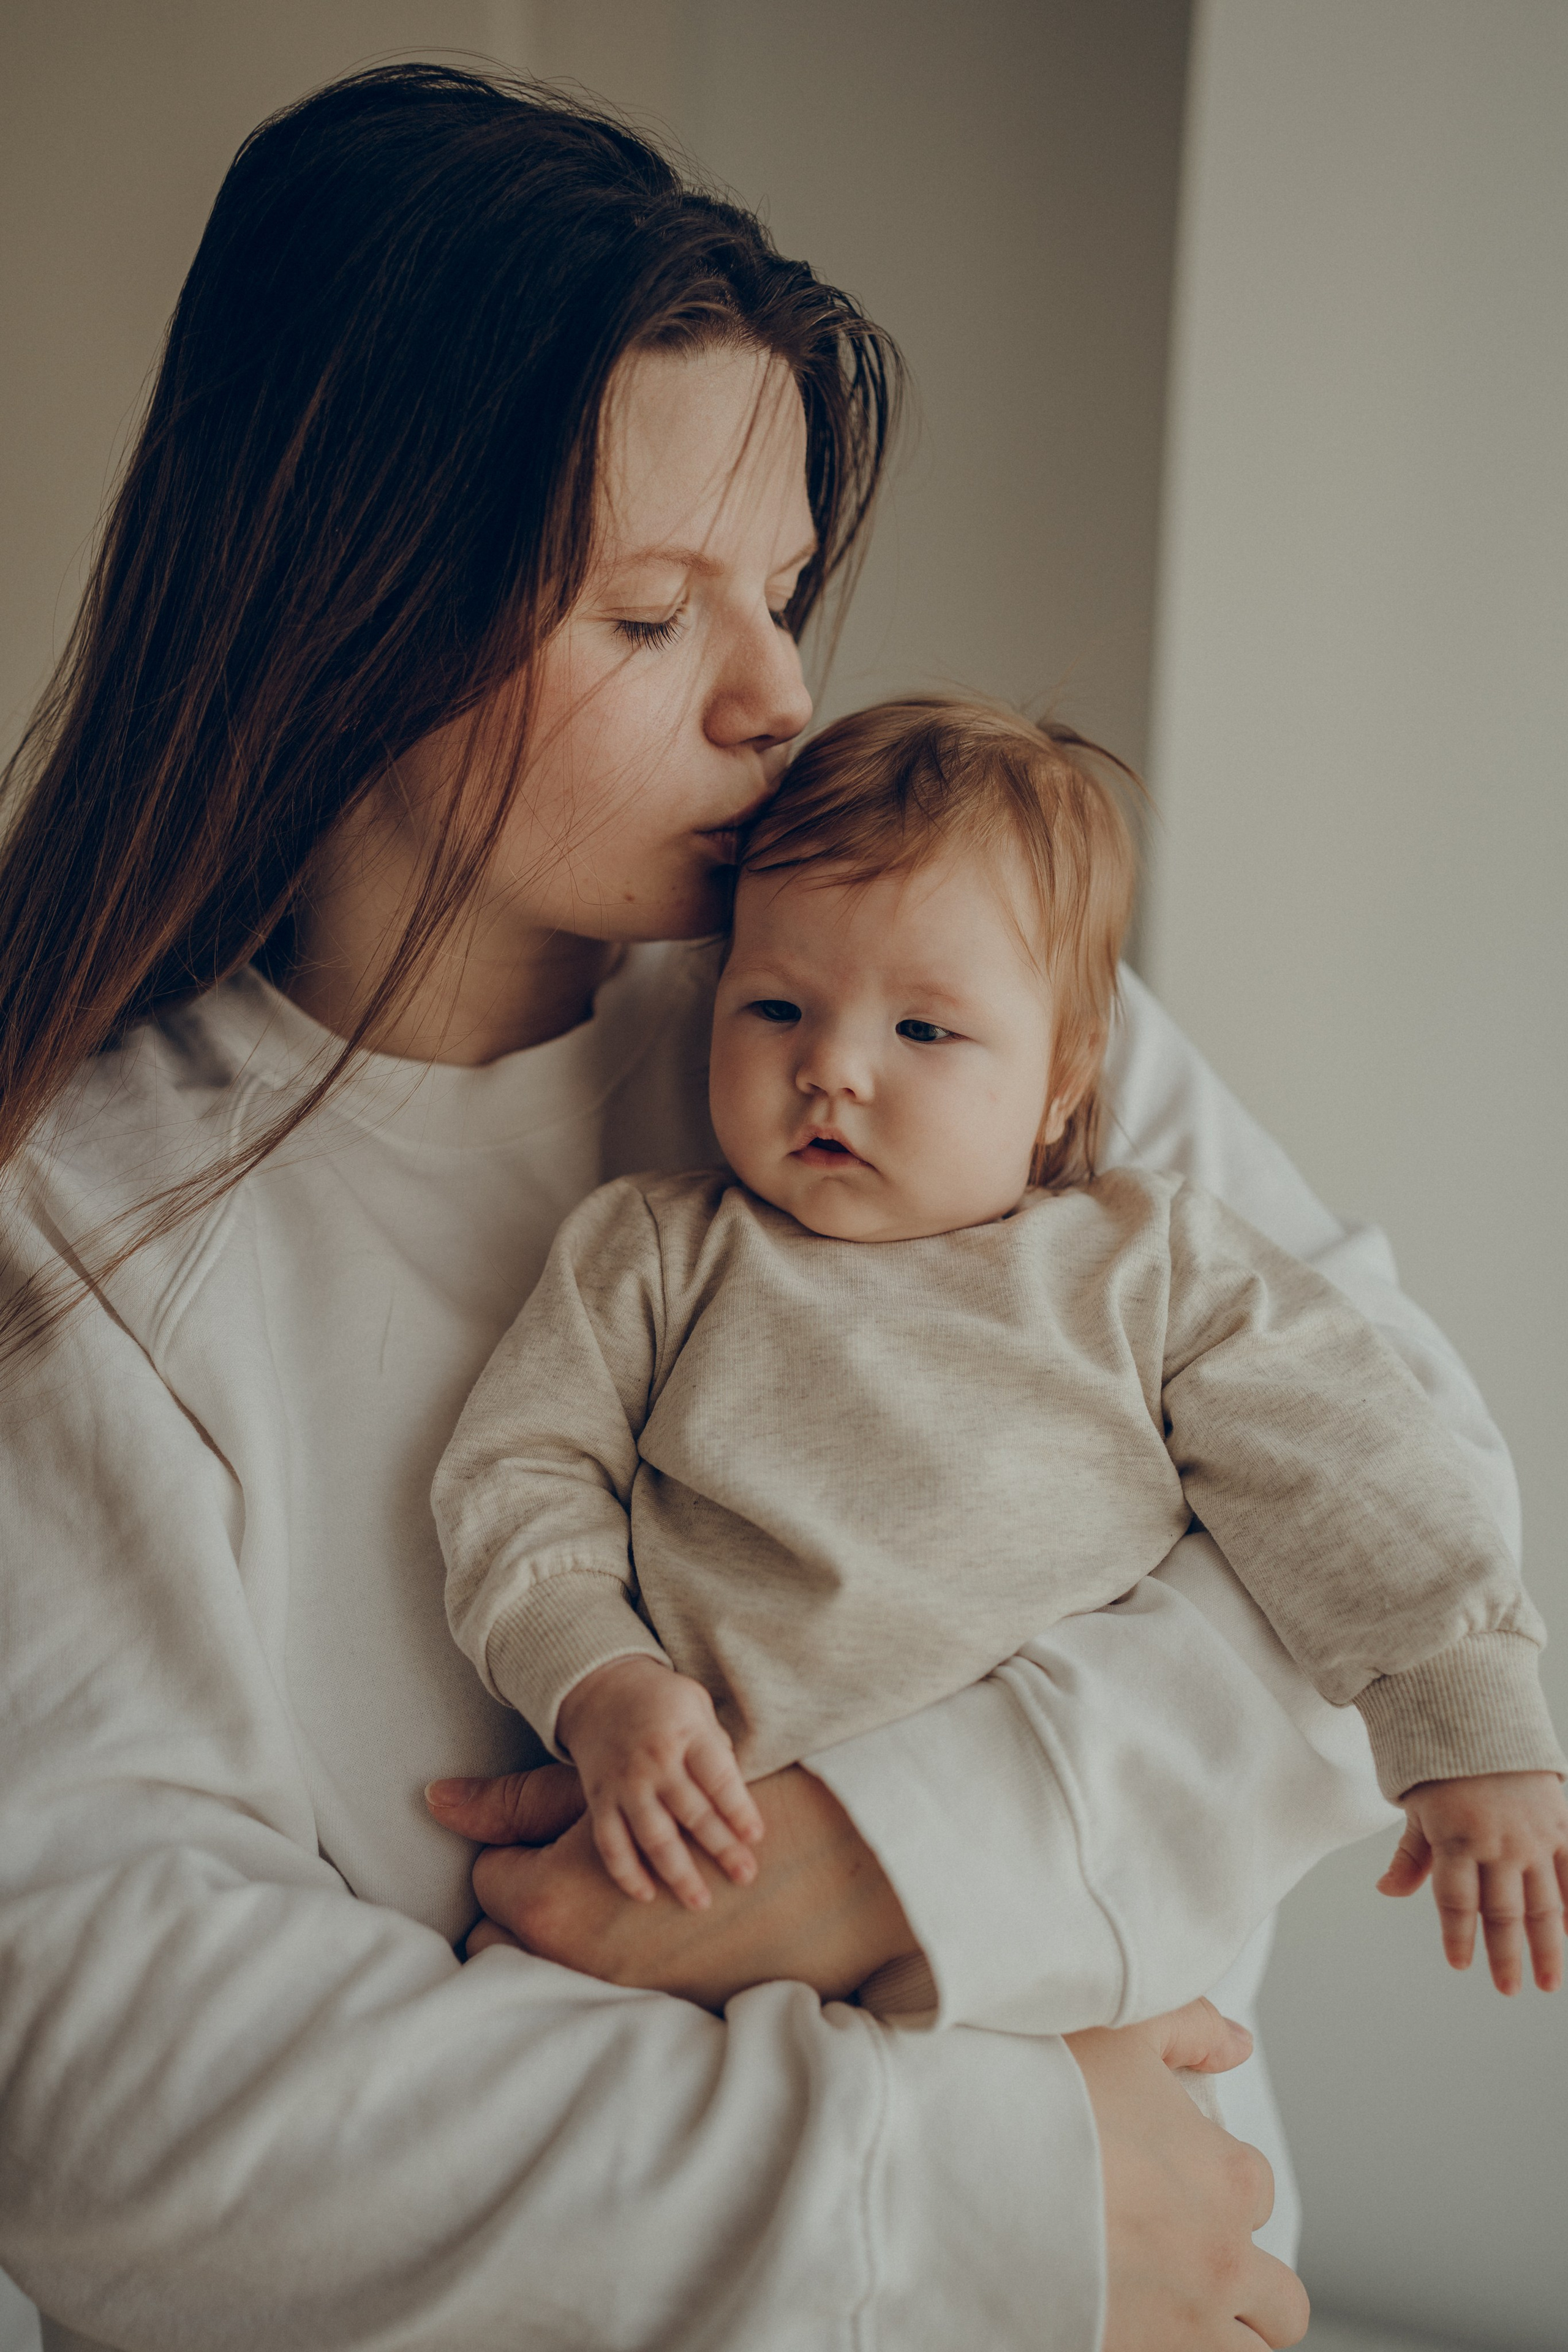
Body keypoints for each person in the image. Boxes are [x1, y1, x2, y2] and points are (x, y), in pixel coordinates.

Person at [0, 61, 1509, 2352]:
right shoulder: (87, 1231)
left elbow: (1392, 1531)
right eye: (650, 616)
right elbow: (131, 2096)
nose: (784, 698)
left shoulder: (905, 1000)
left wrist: (840, 1871)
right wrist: (988, 2208)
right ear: (348, 604)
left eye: (788, 589)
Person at [432, 696, 1567, 2015]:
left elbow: (1351, 1468)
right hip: (704, 1864)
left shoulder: (1146, 1266)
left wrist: (1463, 1725)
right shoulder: (652, 1253)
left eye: (923, 1031)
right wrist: (600, 1682)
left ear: (1063, 1082)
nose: (832, 1069)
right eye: (775, 1007)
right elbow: (517, 1480)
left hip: (1025, 1897)